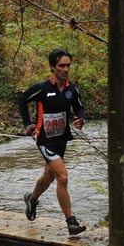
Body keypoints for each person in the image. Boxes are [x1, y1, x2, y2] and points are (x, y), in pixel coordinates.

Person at [17, 48, 87, 235]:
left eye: (68, 65)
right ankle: (71, 222)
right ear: (52, 68)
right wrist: (28, 125)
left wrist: (80, 119)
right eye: (61, 66)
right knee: (62, 178)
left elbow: (79, 108)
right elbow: (22, 100)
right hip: (45, 140)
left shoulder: (73, 89)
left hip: (61, 139)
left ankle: (32, 199)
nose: (65, 69)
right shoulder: (42, 88)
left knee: (49, 177)